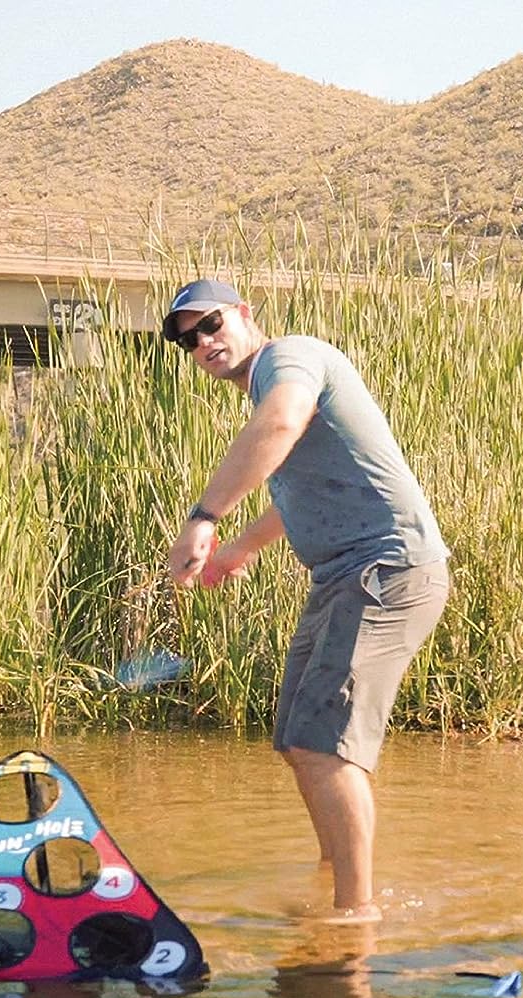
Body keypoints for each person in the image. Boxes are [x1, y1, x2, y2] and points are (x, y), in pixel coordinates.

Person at [162, 279, 449, 923]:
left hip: (387, 570)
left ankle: (355, 916)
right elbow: (303, 482)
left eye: (209, 324)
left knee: (326, 746)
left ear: (243, 313)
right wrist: (240, 548)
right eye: (187, 338)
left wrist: (204, 516)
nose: (202, 342)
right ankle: (334, 879)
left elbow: (282, 422)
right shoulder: (269, 388)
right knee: (299, 735)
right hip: (343, 578)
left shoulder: (289, 358)